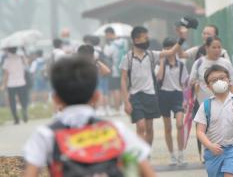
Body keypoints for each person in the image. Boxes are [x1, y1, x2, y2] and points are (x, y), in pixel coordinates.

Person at [23, 56, 156, 177]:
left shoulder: (45, 135)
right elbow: (147, 172)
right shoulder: (116, 130)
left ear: (56, 99)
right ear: (96, 96)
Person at [120, 26, 186, 146]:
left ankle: (147, 151)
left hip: (150, 96)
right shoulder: (127, 58)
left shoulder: (152, 55)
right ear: (135, 40)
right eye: (145, 38)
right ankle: (141, 154)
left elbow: (171, 52)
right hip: (135, 96)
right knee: (140, 126)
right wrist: (126, 102)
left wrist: (181, 39)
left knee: (149, 128)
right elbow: (123, 80)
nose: (147, 40)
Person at [188, 36, 233, 161]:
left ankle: (226, 152)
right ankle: (208, 152)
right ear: (206, 48)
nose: (217, 50)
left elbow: (232, 83)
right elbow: (191, 81)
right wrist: (197, 86)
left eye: (219, 47)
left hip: (224, 102)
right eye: (213, 47)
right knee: (205, 129)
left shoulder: (225, 63)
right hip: (205, 104)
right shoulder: (199, 63)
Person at [156, 37, 188, 166]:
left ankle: (181, 153)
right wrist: (163, 62)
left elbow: (185, 84)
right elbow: (158, 77)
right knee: (168, 127)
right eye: (166, 48)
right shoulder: (159, 63)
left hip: (177, 96)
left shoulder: (181, 64)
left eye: (171, 47)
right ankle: (172, 156)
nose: (169, 50)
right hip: (163, 96)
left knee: (180, 124)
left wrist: (185, 99)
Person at [0, 47, 29, 124]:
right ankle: (24, 111)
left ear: (8, 50)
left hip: (11, 84)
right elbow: (27, 65)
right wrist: (23, 52)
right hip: (21, 82)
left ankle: (16, 118)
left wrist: (3, 85)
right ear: (16, 50)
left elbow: (6, 74)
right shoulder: (21, 58)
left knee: (12, 101)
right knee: (23, 100)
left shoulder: (7, 60)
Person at [104, 27, 127, 115]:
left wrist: (107, 45)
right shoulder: (124, 42)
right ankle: (122, 107)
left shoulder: (112, 45)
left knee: (115, 89)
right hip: (124, 68)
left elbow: (107, 54)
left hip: (114, 70)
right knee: (123, 88)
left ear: (110, 34)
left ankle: (117, 109)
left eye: (106, 35)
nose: (106, 36)